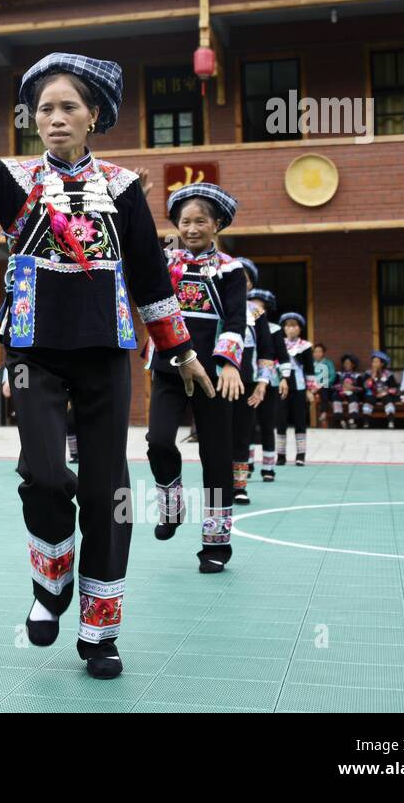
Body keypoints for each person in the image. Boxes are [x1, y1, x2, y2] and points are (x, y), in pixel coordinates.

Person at [0, 14, 209, 679]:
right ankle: (51, 583)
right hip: (33, 353)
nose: (53, 117)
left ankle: (100, 632)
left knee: (109, 493)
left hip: (105, 352)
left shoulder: (126, 190)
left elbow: (152, 278)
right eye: (43, 107)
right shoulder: (14, 180)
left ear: (95, 115)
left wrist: (180, 351)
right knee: (44, 474)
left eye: (68, 105)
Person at [148, 182, 246, 571]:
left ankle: (215, 547)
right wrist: (133, 198)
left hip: (213, 375)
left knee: (216, 458)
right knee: (157, 441)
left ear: (216, 224)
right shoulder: (164, 263)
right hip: (169, 368)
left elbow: (237, 319)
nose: (191, 228)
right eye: (185, 221)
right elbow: (131, 250)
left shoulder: (231, 270)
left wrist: (229, 364)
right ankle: (171, 509)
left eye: (200, 221)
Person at [230, 257, 274, 505]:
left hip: (247, 383)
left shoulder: (256, 312)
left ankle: (239, 486)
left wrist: (263, 383)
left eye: (244, 277)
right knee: (217, 435)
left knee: (242, 435)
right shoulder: (214, 305)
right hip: (216, 382)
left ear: (250, 284)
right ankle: (218, 483)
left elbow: (267, 350)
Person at [246, 288, 287, 481]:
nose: (253, 306)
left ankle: (269, 467)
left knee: (267, 424)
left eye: (258, 304)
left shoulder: (275, 329)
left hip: (269, 383)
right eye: (251, 302)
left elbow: (281, 355)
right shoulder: (243, 326)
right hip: (248, 381)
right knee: (248, 424)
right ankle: (247, 463)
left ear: (266, 308)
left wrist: (285, 377)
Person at [276, 313, 313, 465]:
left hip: (299, 386)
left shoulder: (305, 346)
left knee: (300, 420)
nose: (291, 329)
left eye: (294, 325)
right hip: (281, 386)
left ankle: (300, 456)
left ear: (300, 329)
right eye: (288, 325)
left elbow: (310, 369)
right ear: (283, 328)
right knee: (281, 421)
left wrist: (310, 390)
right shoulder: (278, 343)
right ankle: (281, 456)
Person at [362, 352, 400, 428]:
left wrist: (385, 392)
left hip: (385, 394)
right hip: (372, 394)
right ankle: (366, 422)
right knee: (369, 399)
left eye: (376, 362)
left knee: (388, 399)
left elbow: (395, 389)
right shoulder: (368, 373)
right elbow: (365, 387)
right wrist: (372, 377)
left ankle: (391, 421)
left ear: (382, 364)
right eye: (373, 362)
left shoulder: (389, 374)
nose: (374, 364)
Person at [331, 354, 364, 428]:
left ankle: (352, 419)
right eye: (345, 363)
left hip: (352, 393)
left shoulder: (357, 376)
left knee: (354, 397)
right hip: (341, 392)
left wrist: (353, 388)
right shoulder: (339, 374)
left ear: (353, 365)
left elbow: (362, 388)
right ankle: (339, 419)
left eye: (349, 363)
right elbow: (333, 386)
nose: (347, 365)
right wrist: (342, 386)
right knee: (335, 395)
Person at [312, 344, 336, 420]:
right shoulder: (310, 363)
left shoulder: (328, 363)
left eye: (320, 351)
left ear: (323, 353)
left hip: (325, 385)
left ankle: (324, 412)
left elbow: (332, 376)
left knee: (324, 390)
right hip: (312, 385)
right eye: (315, 352)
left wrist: (320, 385)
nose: (317, 353)